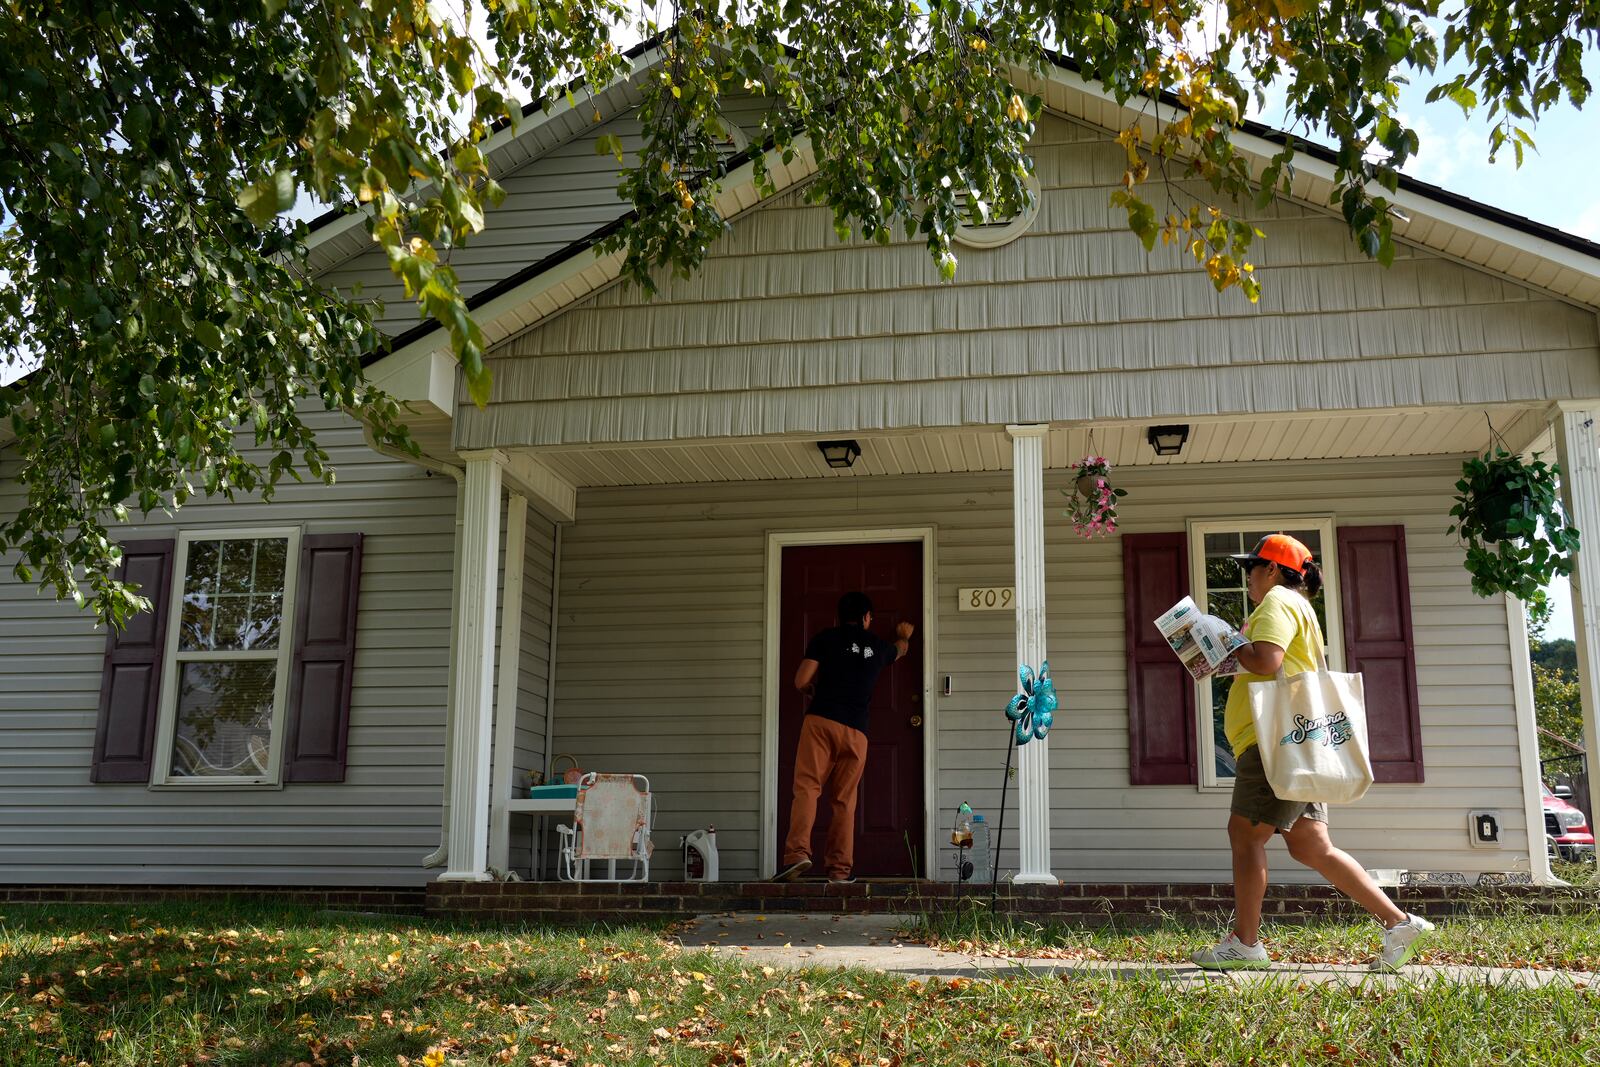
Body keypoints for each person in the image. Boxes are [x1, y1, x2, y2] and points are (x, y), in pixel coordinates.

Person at [1190, 533, 1434, 973]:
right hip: (1302, 742)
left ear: (1272, 570)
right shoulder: (1297, 605)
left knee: (1245, 835)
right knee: (1313, 847)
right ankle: (1400, 924)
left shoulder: (1278, 602)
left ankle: (1245, 945)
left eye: (1252, 568)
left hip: (1274, 744)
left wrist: (1227, 642)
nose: (1248, 577)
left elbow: (1266, 660)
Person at [774, 591, 914, 884]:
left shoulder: (825, 639)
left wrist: (810, 690)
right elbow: (899, 650)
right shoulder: (877, 646)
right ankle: (839, 871)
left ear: (840, 617)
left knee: (808, 788)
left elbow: (800, 680)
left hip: (820, 721)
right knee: (844, 801)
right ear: (866, 618)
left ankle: (797, 855)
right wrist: (903, 635)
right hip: (855, 732)